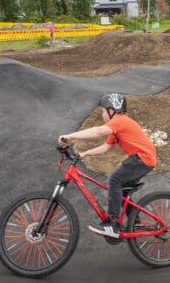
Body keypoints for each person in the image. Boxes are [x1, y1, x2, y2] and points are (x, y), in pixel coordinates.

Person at [58, 93, 157, 238]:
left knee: (115, 180)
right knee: (122, 191)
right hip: (142, 160)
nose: (102, 115)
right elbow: (105, 147)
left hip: (142, 159)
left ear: (112, 110)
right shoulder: (117, 126)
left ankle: (113, 223)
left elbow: (98, 132)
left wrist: (70, 136)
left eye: (103, 111)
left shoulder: (120, 121)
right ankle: (136, 222)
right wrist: (84, 153)